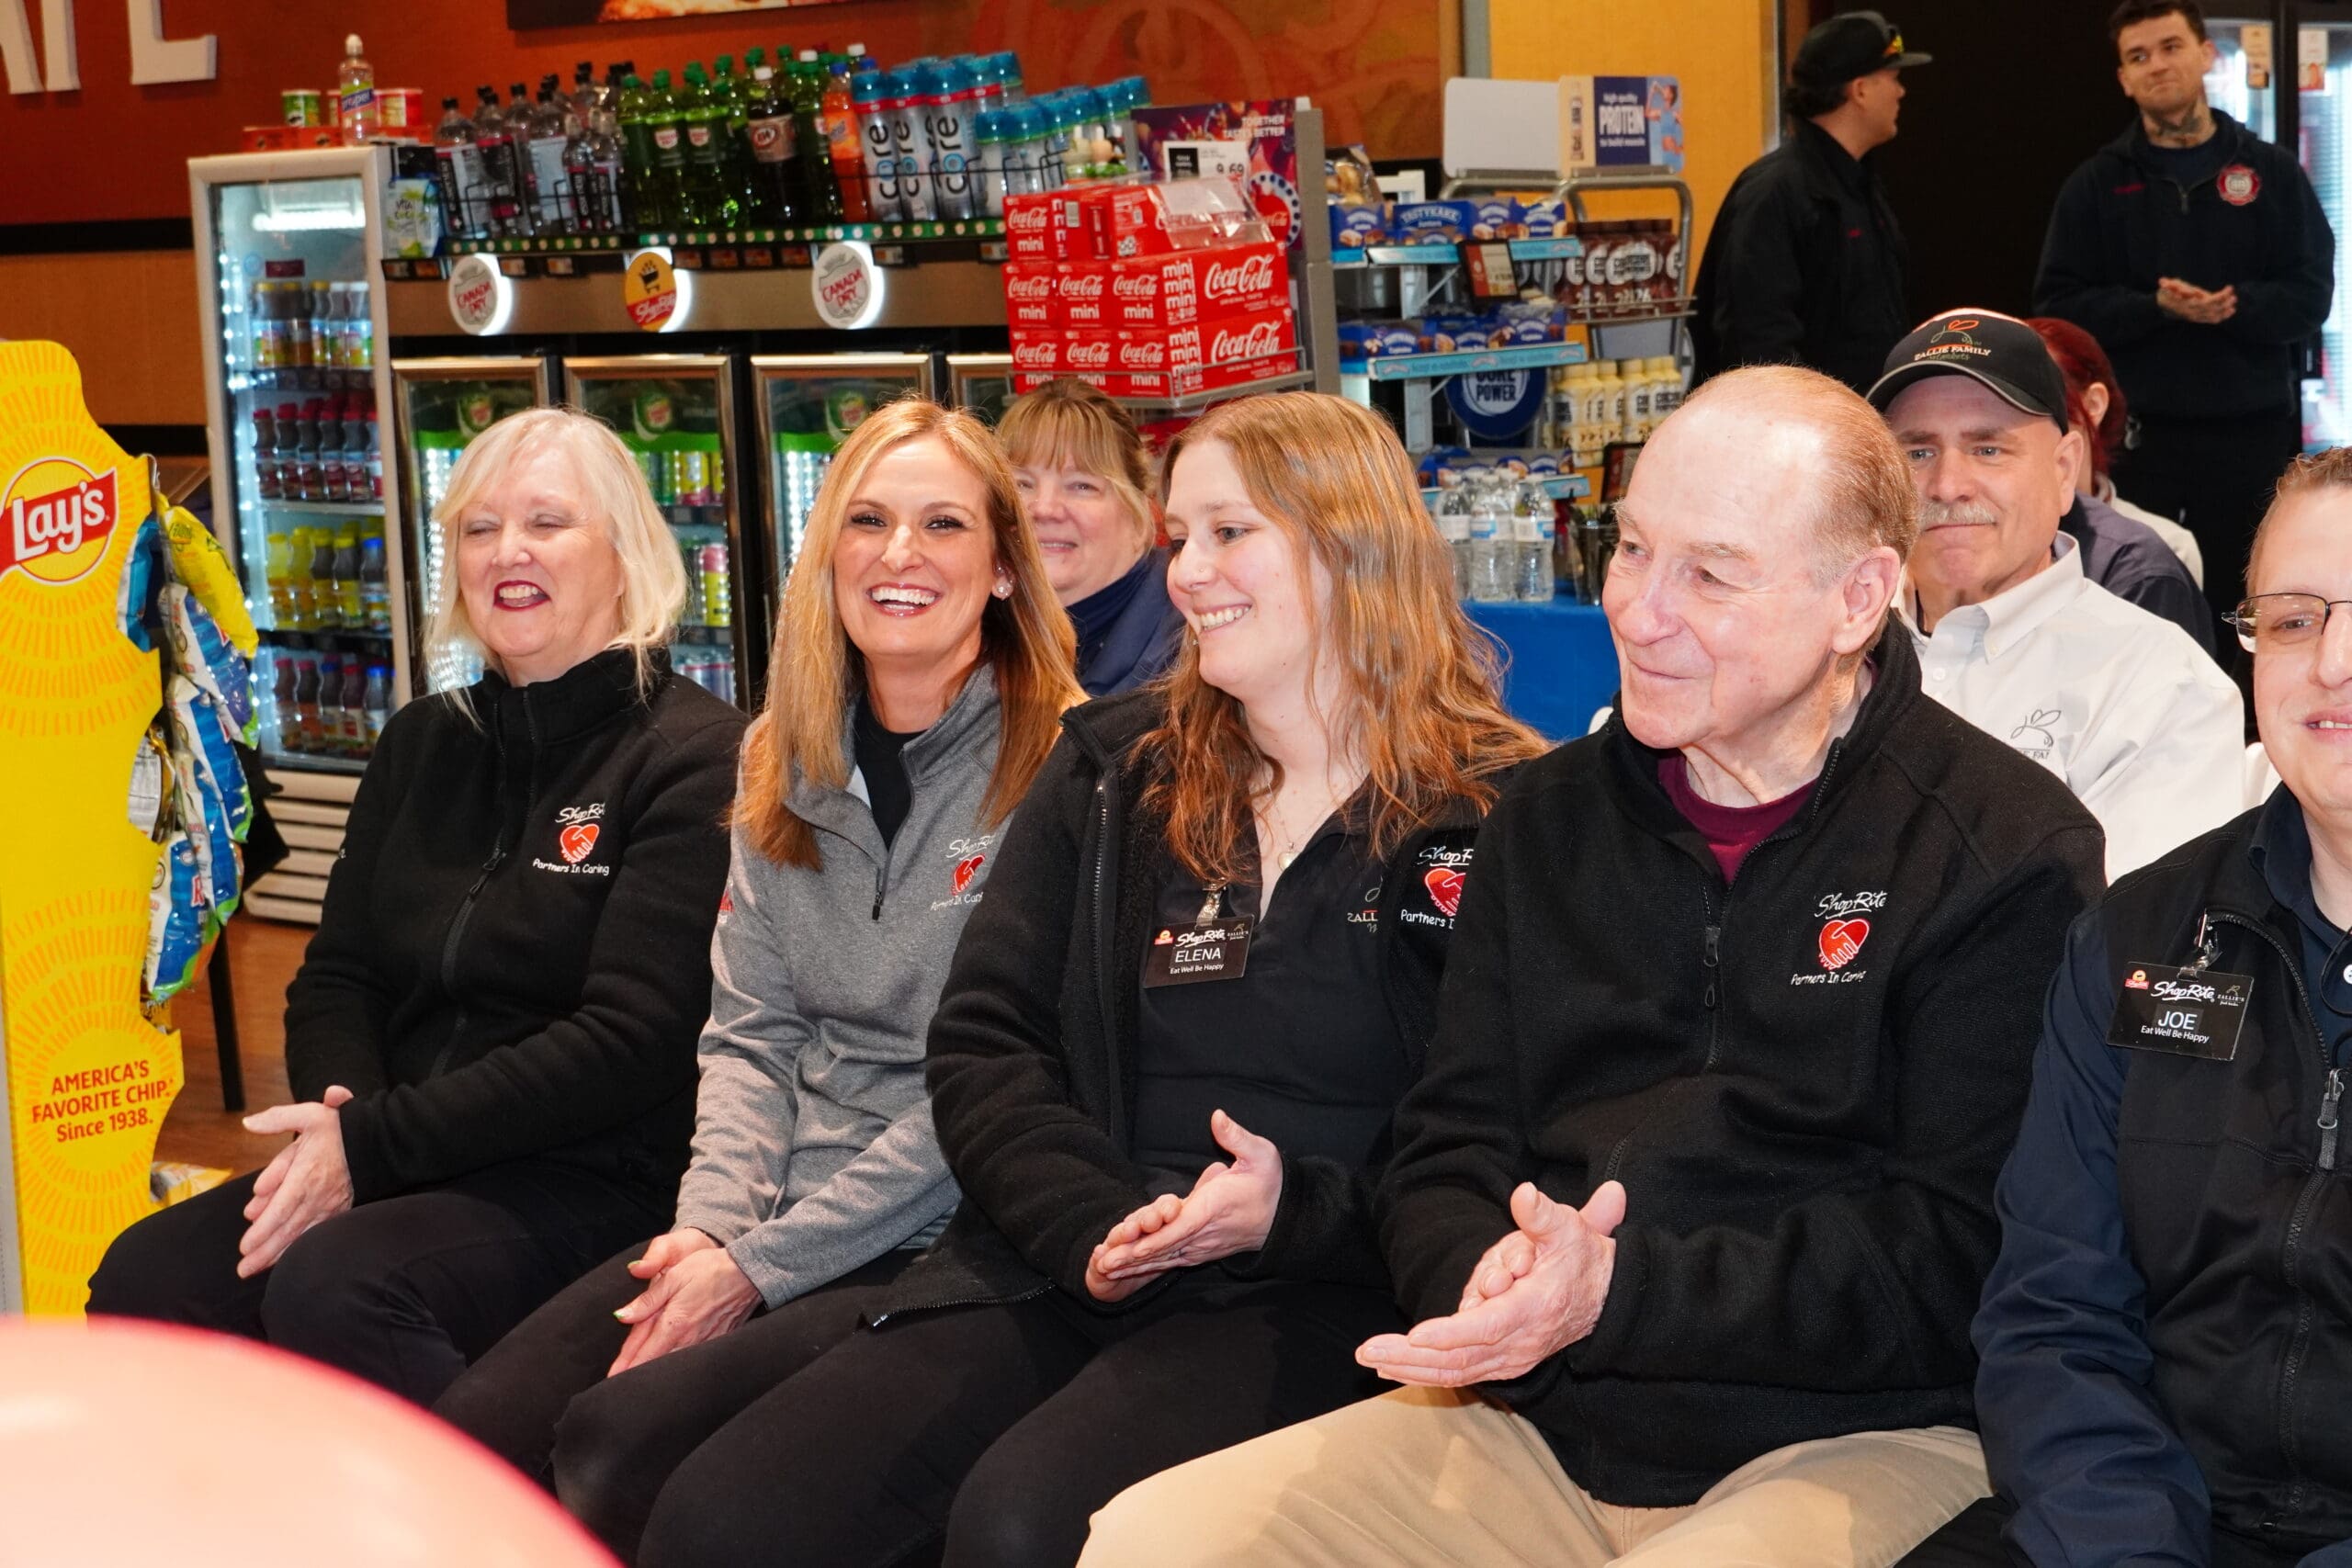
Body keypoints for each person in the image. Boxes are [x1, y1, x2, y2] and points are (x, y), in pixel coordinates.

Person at [1077, 366, 2107, 1568]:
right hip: (1540, 1415)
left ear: (1858, 596)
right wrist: (1486, 1273)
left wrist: (1616, 1293)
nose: (1640, 609)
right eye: (1631, 550)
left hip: (1859, 1433)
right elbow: (1448, 1142)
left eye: (1709, 574)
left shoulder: (1998, 847)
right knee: (1153, 1540)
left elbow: (1958, 1247)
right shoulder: (1544, 816)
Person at [627, 391, 1547, 1568]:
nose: (1187, 575)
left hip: (1333, 1287)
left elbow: (1505, 1132)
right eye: (1181, 540)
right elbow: (985, 1044)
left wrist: (1293, 1211)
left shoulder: (1506, 811)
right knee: (726, 1513)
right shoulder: (1120, 772)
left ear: (1349, 543)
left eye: (1229, 533)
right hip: (1072, 1257)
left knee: (1024, 1521)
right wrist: (1094, 1223)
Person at [430, 399, 1081, 1557]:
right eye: (869, 520)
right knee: (485, 1436)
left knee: (628, 1449)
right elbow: (749, 1036)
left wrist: (757, 1266)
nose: (899, 555)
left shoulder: (1065, 771)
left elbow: (988, 1092)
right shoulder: (779, 755)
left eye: (942, 526)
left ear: (999, 572)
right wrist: (709, 1233)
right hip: (767, 1204)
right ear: (825, 550)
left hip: (949, 1232)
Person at [87, 409, 746, 1405]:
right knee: (147, 1279)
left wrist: (373, 1149)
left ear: (628, 558)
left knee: (341, 1286)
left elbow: (634, 1039)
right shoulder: (421, 741)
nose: (507, 552)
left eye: (546, 522)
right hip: (397, 1149)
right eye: (479, 530)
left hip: (591, 1176)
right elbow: (339, 975)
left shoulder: (698, 757)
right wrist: (339, 1126)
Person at [1912, 450, 2352, 1567]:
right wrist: (2125, 1547)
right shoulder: (2141, 935)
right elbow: (2054, 1312)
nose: (2332, 665)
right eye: (2294, 622)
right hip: (2154, 1521)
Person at [1869, 310, 2243, 876]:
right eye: (1917, 452)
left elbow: (2123, 936)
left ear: (2065, 470)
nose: (1947, 484)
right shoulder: (1823, 648)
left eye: (1988, 449)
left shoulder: (2161, 684)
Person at [2034, 0, 2333, 628]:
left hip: (2250, 434)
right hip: (2140, 441)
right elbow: (2056, 309)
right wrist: (2155, 309)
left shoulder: (2272, 173)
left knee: (2253, 603)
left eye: (2170, 47)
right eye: (2138, 57)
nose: (2157, 66)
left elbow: (2312, 296)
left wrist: (2235, 307)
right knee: (2136, 600)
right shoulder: (2094, 185)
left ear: (2206, 55)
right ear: (2122, 78)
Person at [1689, 10, 1929, 394]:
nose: (1901, 92)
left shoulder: (1859, 184)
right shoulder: (1774, 193)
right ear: (1861, 90)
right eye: (1894, 78)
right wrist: (1817, 424)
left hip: (1859, 429)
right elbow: (1758, 342)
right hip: (1799, 438)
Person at [1001, 377, 1186, 696]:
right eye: (1022, 484)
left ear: (1141, 516)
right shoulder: (981, 630)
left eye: (1081, 486)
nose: (1044, 508)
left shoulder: (1181, 655)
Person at [2028, 312, 2205, 585]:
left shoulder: (2159, 547)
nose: (2016, 425)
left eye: (2035, 402)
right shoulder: (1976, 538)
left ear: (2094, 404)